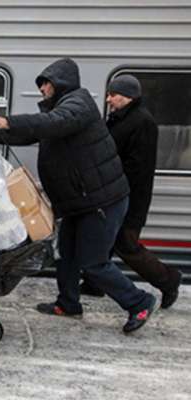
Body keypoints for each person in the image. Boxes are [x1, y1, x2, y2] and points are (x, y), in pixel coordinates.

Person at [0, 58, 157, 334]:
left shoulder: (78, 104)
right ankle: (68, 303)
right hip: (79, 202)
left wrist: (7, 121)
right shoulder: (59, 114)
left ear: (60, 81)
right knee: (66, 255)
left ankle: (139, 302)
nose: (41, 89)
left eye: (45, 84)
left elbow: (51, 123)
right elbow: (31, 133)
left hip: (101, 201)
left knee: (94, 263)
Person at [80, 75, 182, 308]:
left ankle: (168, 280)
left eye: (113, 95)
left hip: (129, 197)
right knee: (104, 239)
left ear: (127, 96)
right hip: (115, 194)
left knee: (126, 244)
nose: (108, 100)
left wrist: (116, 193)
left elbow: (138, 169)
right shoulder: (121, 119)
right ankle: (94, 284)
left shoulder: (142, 122)